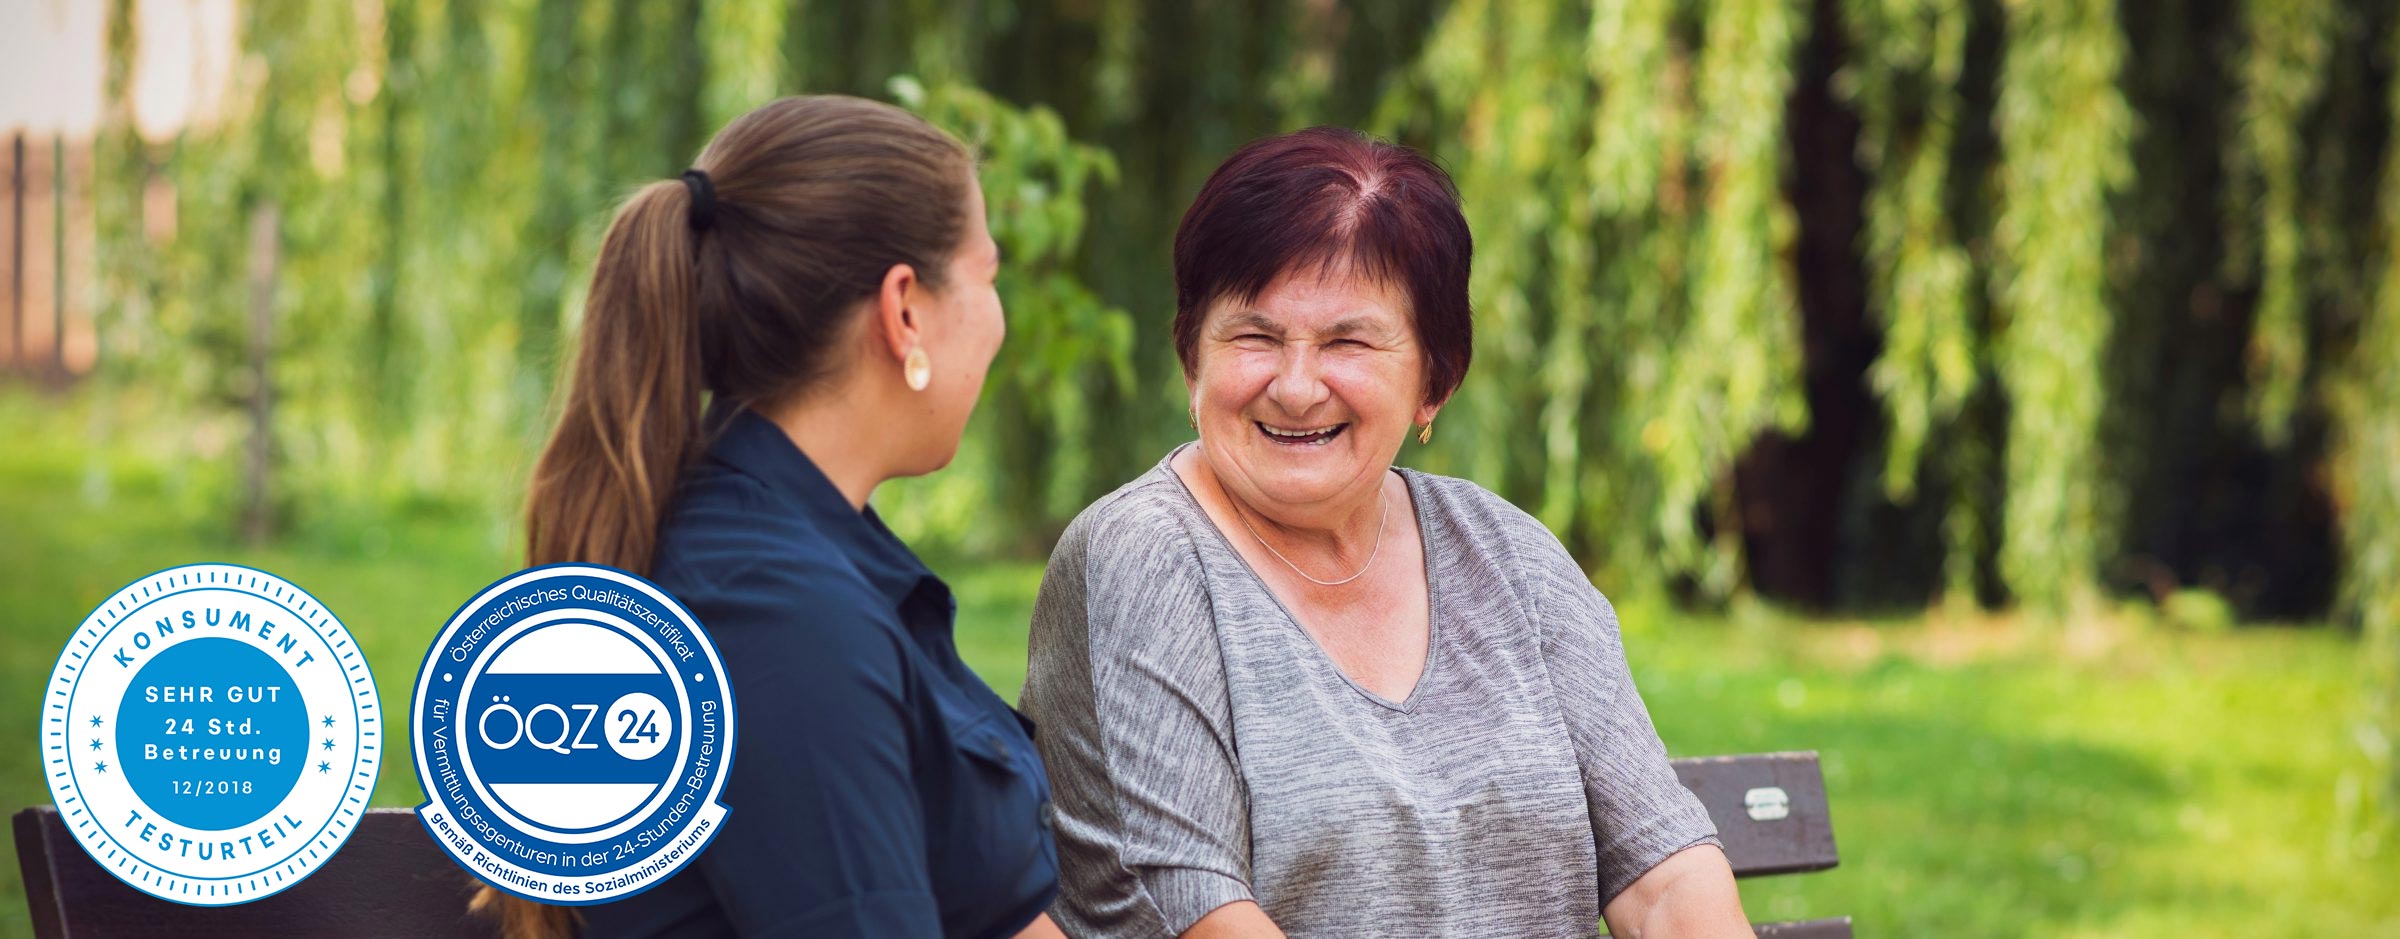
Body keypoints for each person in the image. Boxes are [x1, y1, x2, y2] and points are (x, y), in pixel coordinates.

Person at [1021, 127, 1751, 938]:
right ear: (1192, 360)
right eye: (1256, 336)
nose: (1296, 387)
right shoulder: (1144, 556)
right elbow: (1196, 917)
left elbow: (1667, 874)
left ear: (1434, 379)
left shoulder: (1507, 553)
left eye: (1348, 341)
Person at [488, 95, 1065, 938]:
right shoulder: (776, 615)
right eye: (987, 276)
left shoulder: (801, 552)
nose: (997, 318)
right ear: (905, 308)